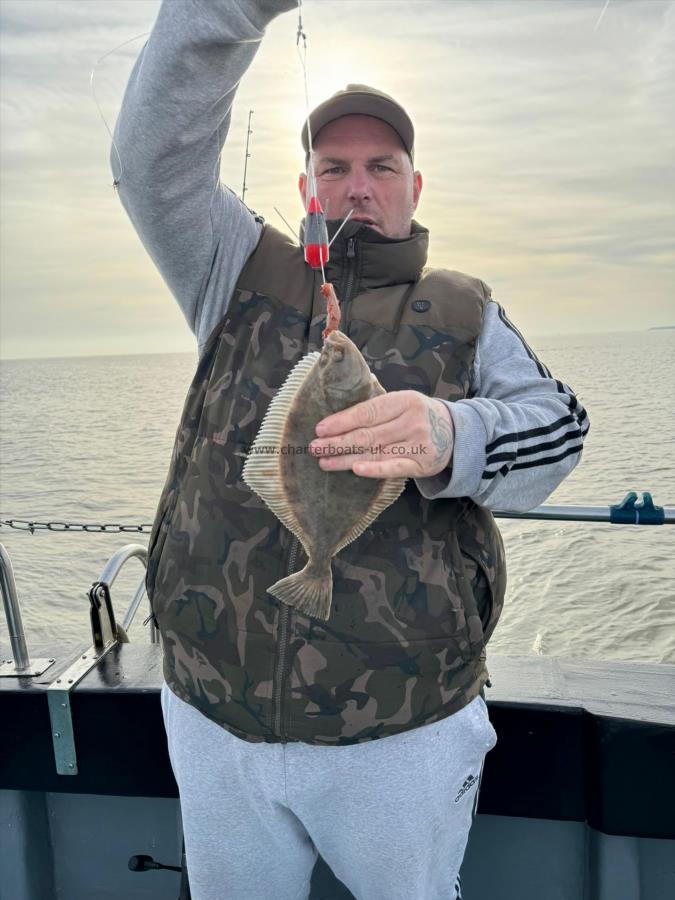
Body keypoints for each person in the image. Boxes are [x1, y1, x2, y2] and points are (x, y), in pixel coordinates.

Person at [113, 2, 589, 898]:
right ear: (306, 189)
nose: (357, 185)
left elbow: (556, 429)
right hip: (216, 719)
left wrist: (452, 433)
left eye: (381, 166)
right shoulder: (236, 270)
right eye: (333, 167)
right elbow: (151, 164)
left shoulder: (464, 310)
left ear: (416, 186)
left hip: (402, 728)